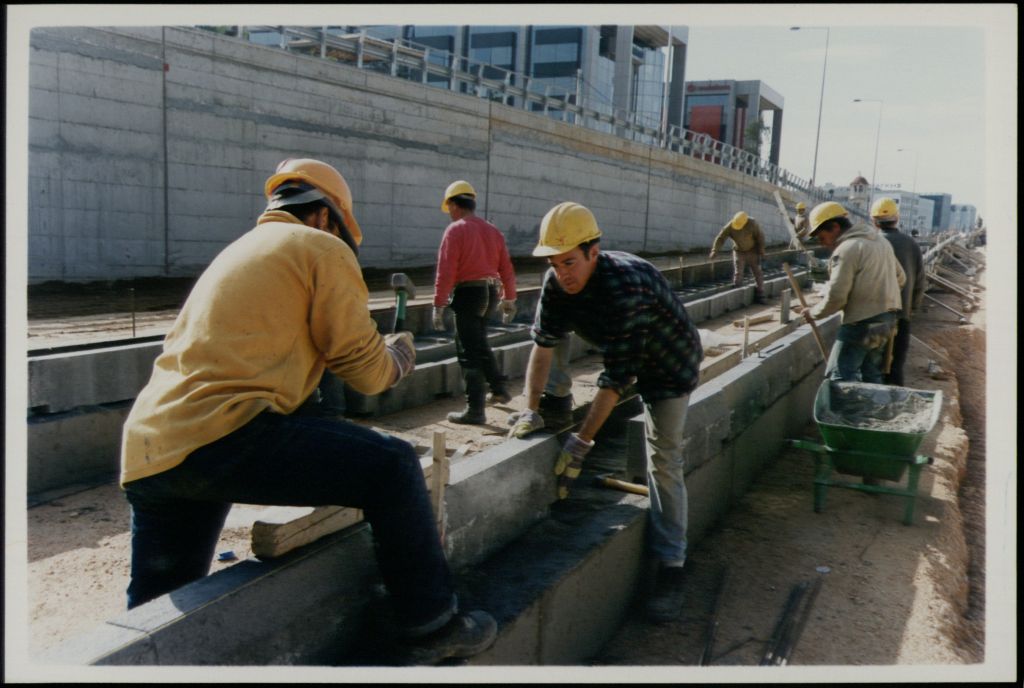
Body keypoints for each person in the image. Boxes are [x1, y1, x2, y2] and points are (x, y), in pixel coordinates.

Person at [119, 158, 496, 664]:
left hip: (154, 449)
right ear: (324, 216)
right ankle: (432, 623)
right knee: (391, 466)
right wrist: (399, 356)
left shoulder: (238, 252)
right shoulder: (320, 247)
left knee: (153, 621)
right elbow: (364, 371)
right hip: (226, 434)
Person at [507, 201, 704, 623]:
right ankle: (553, 411)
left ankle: (672, 566)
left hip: (670, 364)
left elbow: (616, 380)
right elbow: (542, 347)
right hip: (627, 349)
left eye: (571, 262)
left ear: (594, 252)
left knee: (664, 460)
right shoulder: (556, 282)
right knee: (554, 342)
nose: (563, 273)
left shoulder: (625, 288)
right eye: (555, 263)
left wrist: (580, 445)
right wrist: (529, 410)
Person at [432, 180, 518, 425]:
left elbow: (446, 270)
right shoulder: (492, 231)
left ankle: (475, 411)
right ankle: (499, 388)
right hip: (490, 292)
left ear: (454, 205)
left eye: (449, 207)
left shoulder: (456, 230)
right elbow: (506, 268)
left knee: (468, 351)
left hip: (469, 294)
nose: (449, 213)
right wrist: (509, 297)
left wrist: (438, 304)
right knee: (479, 341)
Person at [801, 201, 906, 383]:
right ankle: (872, 411)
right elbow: (901, 278)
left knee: (839, 378)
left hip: (861, 325)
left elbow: (837, 297)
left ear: (834, 227)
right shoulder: (881, 242)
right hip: (887, 322)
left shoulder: (846, 249)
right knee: (872, 375)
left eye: (822, 236)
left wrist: (813, 313)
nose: (823, 243)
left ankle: (842, 412)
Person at [870, 197, 926, 386]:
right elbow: (920, 281)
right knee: (896, 367)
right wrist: (912, 308)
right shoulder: (911, 244)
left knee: (871, 367)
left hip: (875, 316)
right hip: (902, 315)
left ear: (874, 221)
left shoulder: (871, 244)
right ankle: (895, 405)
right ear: (897, 218)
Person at [709, 211, 767, 304]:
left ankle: (760, 294)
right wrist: (714, 250)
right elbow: (721, 237)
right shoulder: (731, 225)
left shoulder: (752, 223)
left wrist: (761, 251)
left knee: (757, 272)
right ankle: (737, 292)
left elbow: (760, 237)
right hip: (739, 250)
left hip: (752, 250)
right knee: (738, 272)